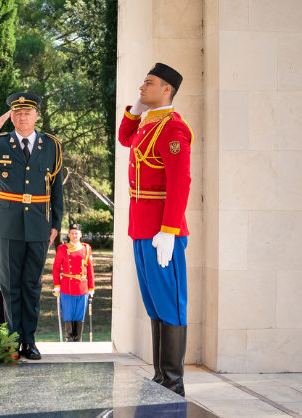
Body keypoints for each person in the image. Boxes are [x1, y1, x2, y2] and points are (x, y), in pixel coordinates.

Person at [0, 93, 64, 360]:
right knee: (11, 285)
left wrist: (56, 223)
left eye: (27, 112)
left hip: (40, 223)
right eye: (17, 113)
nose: (23, 117)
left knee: (32, 284)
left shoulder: (51, 145)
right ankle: (13, 340)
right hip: (8, 224)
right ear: (11, 117)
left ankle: (30, 341)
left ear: (36, 116)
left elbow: (57, 188)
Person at [118, 63, 193, 397]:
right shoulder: (148, 124)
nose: (141, 87)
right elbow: (124, 137)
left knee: (169, 303)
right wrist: (136, 108)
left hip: (163, 232)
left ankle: (174, 382)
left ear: (166, 89)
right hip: (142, 228)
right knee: (154, 303)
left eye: (148, 83)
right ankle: (161, 376)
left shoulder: (173, 128)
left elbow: (180, 181)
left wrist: (169, 230)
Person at [52, 224, 95, 342]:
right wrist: (57, 285)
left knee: (80, 314)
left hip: (83, 286)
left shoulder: (86, 248)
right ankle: (69, 339)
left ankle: (78, 339)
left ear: (81, 235)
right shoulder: (62, 248)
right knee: (68, 314)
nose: (75, 235)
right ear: (69, 235)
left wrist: (91, 287)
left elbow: (90, 269)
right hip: (67, 286)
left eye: (77, 233)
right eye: (72, 233)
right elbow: (56, 268)